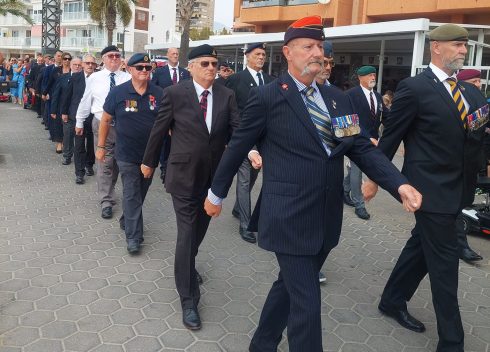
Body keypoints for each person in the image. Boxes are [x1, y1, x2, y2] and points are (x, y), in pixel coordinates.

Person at [204, 16, 421, 351]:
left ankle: (262, 343)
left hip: (325, 216)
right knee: (307, 302)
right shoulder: (268, 97)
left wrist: (399, 184)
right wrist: (216, 194)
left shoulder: (337, 98)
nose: (317, 53)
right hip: (287, 216)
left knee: (288, 286)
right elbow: (236, 148)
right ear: (288, 53)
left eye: (320, 47)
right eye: (309, 47)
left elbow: (359, 146)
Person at [363, 24, 489, 351]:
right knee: (445, 266)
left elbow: (477, 140)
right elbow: (390, 138)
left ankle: (392, 300)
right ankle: (452, 342)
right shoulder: (414, 88)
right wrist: (375, 178)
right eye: (459, 45)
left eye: (465, 46)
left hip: (459, 189)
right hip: (428, 191)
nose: (464, 51)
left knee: (421, 249)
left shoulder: (472, 93)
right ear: (437, 47)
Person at [141, 44, 240, 330]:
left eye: (214, 64)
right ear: (191, 67)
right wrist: (148, 162)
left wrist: (251, 150)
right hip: (183, 175)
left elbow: (238, 130)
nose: (211, 68)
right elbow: (159, 129)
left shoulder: (226, 94)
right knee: (186, 233)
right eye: (205, 63)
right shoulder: (175, 93)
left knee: (199, 230)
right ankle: (188, 298)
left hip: (213, 179)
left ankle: (187, 265)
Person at [96, 53, 164, 254]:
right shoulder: (118, 93)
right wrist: (100, 147)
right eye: (140, 67)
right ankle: (134, 237)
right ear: (130, 69)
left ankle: (127, 218)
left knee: (140, 192)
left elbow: (167, 124)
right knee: (132, 192)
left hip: (150, 156)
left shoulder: (160, 93)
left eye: (147, 67)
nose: (144, 71)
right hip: (125, 154)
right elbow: (106, 121)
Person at [225, 42, 273, 244]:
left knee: (253, 178)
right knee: (244, 181)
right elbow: (228, 109)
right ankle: (246, 225)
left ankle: (238, 208)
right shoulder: (235, 80)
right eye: (257, 54)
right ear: (247, 56)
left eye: (263, 54)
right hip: (244, 138)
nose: (262, 57)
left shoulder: (270, 81)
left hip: (265, 140)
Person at [76, 45, 131, 219]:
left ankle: (111, 191)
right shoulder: (95, 78)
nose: (114, 58)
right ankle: (106, 201)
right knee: (104, 163)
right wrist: (79, 120)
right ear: (103, 59)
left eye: (117, 56)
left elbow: (134, 102)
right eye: (111, 56)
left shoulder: (129, 78)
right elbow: (86, 100)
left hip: (123, 126)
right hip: (101, 124)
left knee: (117, 164)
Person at [343, 66, 386, 220]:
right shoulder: (350, 95)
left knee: (355, 171)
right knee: (357, 170)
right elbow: (350, 119)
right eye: (369, 75)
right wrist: (367, 137)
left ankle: (344, 189)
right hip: (357, 139)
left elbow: (386, 117)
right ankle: (359, 204)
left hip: (374, 141)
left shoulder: (378, 97)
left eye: (374, 75)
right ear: (360, 78)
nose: (372, 78)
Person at [314, 40, 338, 284]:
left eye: (331, 62)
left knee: (325, 235)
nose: (328, 67)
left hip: (329, 182)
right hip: (297, 186)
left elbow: (354, 138)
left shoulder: (337, 96)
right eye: (324, 62)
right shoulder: (286, 91)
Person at [151, 47, 191, 183]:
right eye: (173, 53)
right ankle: (164, 168)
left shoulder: (185, 73)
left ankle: (176, 166)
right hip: (164, 111)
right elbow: (153, 91)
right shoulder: (159, 72)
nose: (175, 55)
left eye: (177, 54)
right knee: (164, 142)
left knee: (179, 140)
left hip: (182, 113)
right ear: (167, 55)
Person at [61, 54, 97, 185]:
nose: (90, 65)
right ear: (82, 65)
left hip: (94, 116)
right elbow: (67, 95)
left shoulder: (99, 78)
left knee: (92, 144)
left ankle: (89, 165)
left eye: (92, 63)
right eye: (87, 63)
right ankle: (79, 173)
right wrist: (64, 112)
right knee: (79, 145)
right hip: (77, 116)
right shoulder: (75, 77)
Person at [52, 57, 82, 165]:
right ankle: (67, 156)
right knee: (68, 135)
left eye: (79, 65)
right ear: (70, 66)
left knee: (80, 137)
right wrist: (54, 110)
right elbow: (56, 94)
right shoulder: (63, 78)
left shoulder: (87, 79)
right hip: (67, 112)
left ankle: (84, 160)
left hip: (82, 113)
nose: (77, 67)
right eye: (75, 65)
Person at [42, 50, 63, 149]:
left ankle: (60, 139)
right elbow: (46, 81)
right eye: (58, 56)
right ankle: (53, 134)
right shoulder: (49, 69)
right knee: (52, 117)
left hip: (62, 97)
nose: (60, 58)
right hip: (51, 96)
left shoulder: (66, 69)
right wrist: (45, 93)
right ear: (55, 57)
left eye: (61, 56)